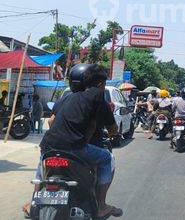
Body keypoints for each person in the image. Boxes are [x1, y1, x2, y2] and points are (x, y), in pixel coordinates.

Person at [24, 63, 122, 218]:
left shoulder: (67, 98)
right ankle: (101, 205)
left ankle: (33, 202)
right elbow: (113, 129)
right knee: (107, 158)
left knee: (44, 163)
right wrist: (114, 134)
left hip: (48, 145)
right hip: (75, 149)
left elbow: (50, 122)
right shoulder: (98, 98)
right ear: (100, 84)